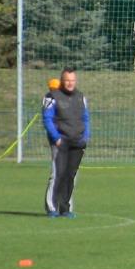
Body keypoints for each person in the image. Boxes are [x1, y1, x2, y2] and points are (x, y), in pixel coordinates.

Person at [42, 68, 89, 218]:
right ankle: (52, 207)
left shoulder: (81, 97)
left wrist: (85, 136)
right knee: (58, 173)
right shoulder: (53, 96)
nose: (70, 83)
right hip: (61, 141)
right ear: (62, 81)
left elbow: (86, 118)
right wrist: (56, 137)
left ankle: (65, 208)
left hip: (77, 141)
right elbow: (47, 118)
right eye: (67, 80)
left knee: (71, 175)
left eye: (72, 80)